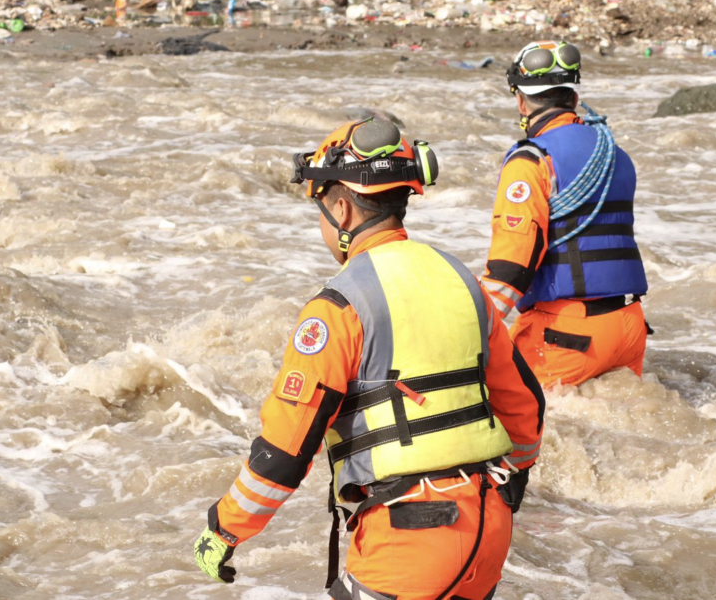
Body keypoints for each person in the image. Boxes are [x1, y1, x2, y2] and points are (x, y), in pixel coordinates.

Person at [193, 119, 546, 600]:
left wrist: (224, 528)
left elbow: (285, 451)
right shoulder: (463, 282)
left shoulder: (338, 307)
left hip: (408, 538)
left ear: (341, 207)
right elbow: (524, 405)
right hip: (489, 527)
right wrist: (513, 483)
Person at [480, 40, 650, 389]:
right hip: (629, 326)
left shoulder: (530, 162)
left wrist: (466, 330)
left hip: (567, 335)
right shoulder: (615, 154)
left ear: (520, 100)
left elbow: (510, 269)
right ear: (574, 98)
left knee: (507, 416)